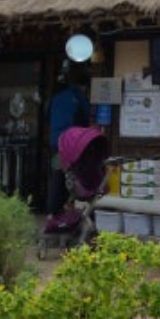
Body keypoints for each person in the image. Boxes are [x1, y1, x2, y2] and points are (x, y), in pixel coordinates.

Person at [46, 64, 91, 215]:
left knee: (57, 174)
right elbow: (87, 118)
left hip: (55, 143)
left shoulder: (56, 97)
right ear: (83, 86)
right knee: (72, 176)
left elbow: (47, 116)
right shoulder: (79, 97)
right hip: (71, 144)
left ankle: (52, 211)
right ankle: (65, 209)